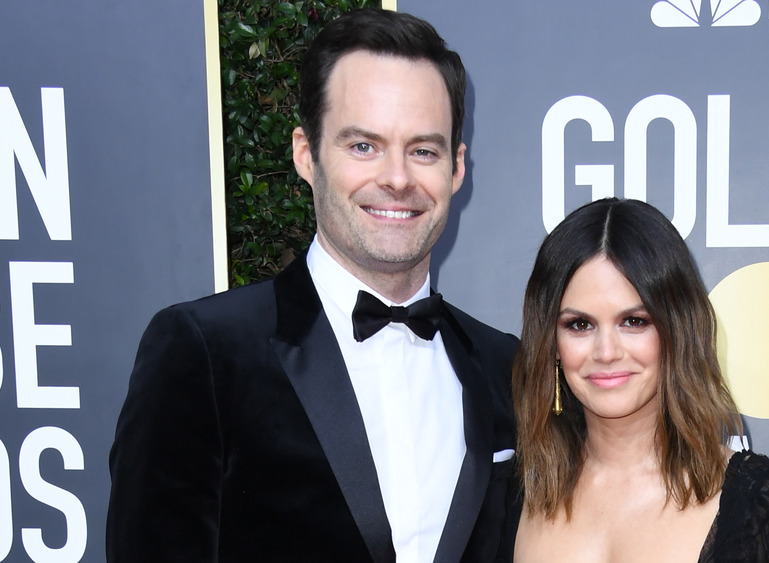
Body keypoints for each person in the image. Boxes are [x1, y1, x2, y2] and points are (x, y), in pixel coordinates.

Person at [107, 9, 517, 562]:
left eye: (423, 150)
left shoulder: (505, 367)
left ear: (457, 168)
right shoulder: (205, 351)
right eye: (363, 146)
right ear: (306, 154)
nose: (397, 178)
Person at [506, 198, 769, 562]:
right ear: (551, 343)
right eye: (579, 324)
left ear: (675, 330)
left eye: (634, 321)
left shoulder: (767, 507)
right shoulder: (509, 495)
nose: (606, 352)